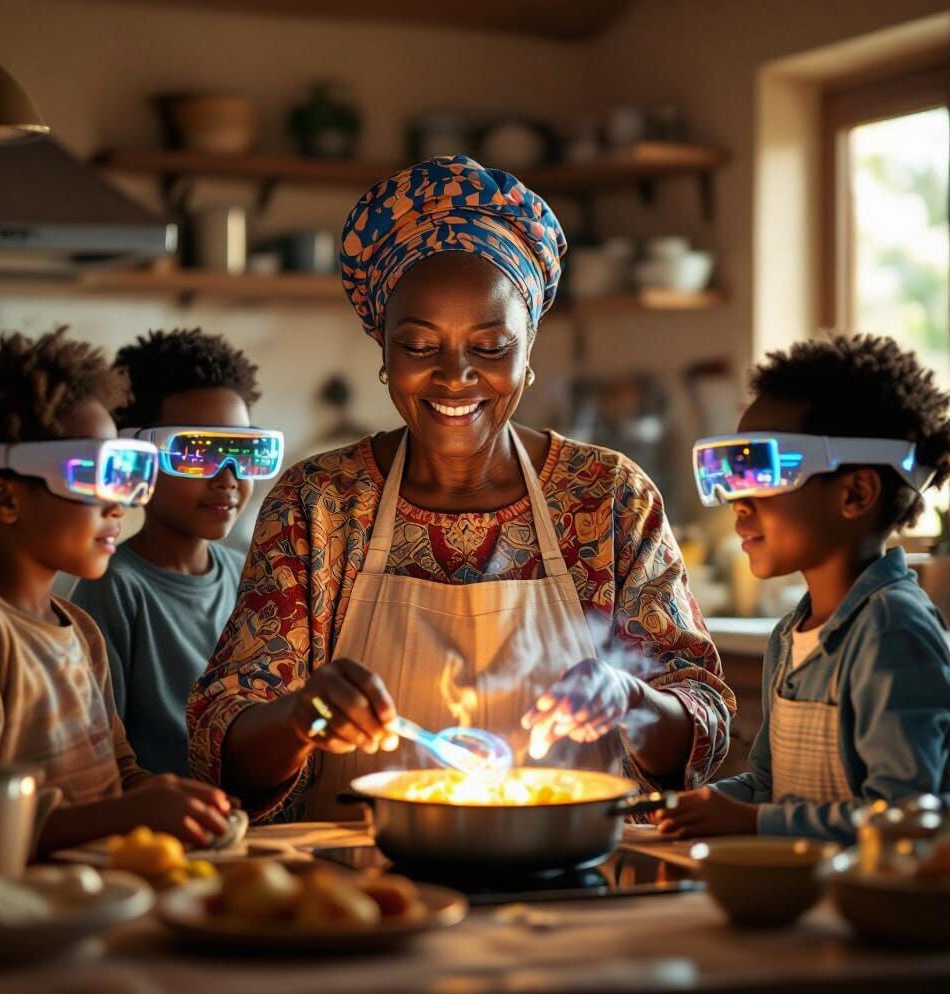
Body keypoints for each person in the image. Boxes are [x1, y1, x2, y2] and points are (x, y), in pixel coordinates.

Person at [188, 155, 734, 821]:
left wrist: (630, 697)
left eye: (490, 347)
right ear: (384, 356)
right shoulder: (318, 503)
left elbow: (701, 724)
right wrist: (301, 718)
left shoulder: (608, 498)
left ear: (528, 357)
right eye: (420, 347)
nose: (455, 377)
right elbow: (223, 747)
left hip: (567, 880)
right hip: (360, 890)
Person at [0, 328, 231, 854]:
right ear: (4, 498)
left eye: (126, 473)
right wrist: (131, 812)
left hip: (98, 887)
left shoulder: (79, 629)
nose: (119, 504)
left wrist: (164, 797)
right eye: (94, 473)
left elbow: (117, 771)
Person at [657, 334, 950, 843]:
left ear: (856, 493)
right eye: (733, 476)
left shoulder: (891, 628)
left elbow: (908, 820)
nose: (739, 503)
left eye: (764, 471)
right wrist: (708, 805)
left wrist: (751, 823)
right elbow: (771, 786)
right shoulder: (792, 633)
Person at [74, 328, 271, 777]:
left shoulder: (253, 576)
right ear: (140, 457)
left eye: (242, 451)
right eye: (196, 453)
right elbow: (105, 757)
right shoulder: (114, 587)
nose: (227, 477)